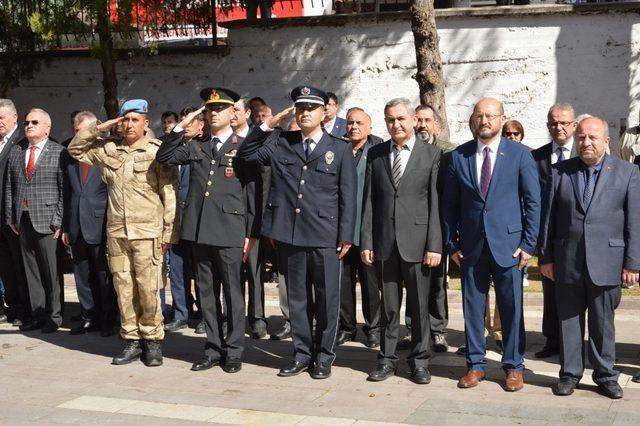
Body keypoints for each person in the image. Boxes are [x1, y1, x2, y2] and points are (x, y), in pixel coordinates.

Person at [237, 85, 357, 380]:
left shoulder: (339, 148)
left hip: (325, 234)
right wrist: (268, 124)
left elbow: (348, 195)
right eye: (300, 108)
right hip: (289, 234)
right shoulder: (281, 142)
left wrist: (346, 234)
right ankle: (302, 354)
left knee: (327, 300)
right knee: (298, 300)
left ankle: (324, 356)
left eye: (311, 108)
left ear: (324, 112)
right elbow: (246, 154)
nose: (304, 113)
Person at [68, 99, 179, 366]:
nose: (128, 125)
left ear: (145, 123)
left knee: (149, 288)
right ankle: (131, 340)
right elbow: (75, 148)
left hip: (148, 233)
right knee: (123, 288)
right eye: (125, 119)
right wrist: (100, 126)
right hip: (117, 235)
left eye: (134, 120)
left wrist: (168, 235)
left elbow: (170, 194)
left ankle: (152, 341)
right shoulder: (108, 150)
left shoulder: (157, 151)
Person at [156, 88, 259, 374]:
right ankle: (213, 348)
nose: (214, 114)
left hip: (230, 230)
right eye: (209, 110)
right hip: (200, 230)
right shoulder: (197, 146)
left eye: (220, 109)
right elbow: (164, 156)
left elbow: (252, 192)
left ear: (231, 114)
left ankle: (234, 350)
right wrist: (181, 127)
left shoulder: (243, 146)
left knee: (233, 293)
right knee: (206, 294)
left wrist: (251, 232)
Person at [442, 97, 540, 392]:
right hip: (470, 247)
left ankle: (513, 367)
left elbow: (533, 201)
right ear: (472, 119)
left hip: (509, 247)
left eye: (490, 116)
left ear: (501, 118)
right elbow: (449, 205)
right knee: (473, 308)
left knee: (511, 308)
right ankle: (475, 365)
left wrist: (528, 244)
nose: (484, 120)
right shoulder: (459, 156)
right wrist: (451, 244)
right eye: (479, 115)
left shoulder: (520, 155)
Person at [539, 116, 640, 399]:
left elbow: (634, 221)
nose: (586, 142)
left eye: (593, 137)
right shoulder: (560, 172)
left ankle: (606, 375)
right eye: (582, 137)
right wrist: (546, 258)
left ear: (606, 141)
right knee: (568, 321)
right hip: (567, 260)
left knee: (602, 322)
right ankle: (569, 374)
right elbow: (548, 220)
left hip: (608, 259)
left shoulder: (627, 173)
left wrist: (633, 263)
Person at [361, 98, 442, 385]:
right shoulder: (377, 154)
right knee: (389, 307)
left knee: (419, 307)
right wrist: (367, 241)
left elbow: (434, 202)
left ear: (412, 120)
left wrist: (435, 245)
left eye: (400, 119)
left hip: (419, 244)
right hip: (384, 243)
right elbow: (369, 201)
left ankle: (419, 361)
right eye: (390, 120)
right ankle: (386, 359)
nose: (395, 125)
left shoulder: (431, 155)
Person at [5, 108, 65, 334]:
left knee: (51, 272)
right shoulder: (17, 151)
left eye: (35, 122)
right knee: (31, 272)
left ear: (47, 128)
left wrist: (59, 221)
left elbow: (63, 189)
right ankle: (37, 314)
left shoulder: (58, 152)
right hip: (23, 220)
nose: (29, 125)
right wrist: (11, 215)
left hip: (48, 222)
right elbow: (10, 186)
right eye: (27, 122)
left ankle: (54, 316)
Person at [531, 103, 578, 360]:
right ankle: (552, 340)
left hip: (578, 234)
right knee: (550, 290)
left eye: (563, 123)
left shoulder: (585, 152)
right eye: (553, 123)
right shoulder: (537, 157)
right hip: (548, 236)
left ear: (574, 125)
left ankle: (579, 343)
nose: (558, 127)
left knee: (580, 291)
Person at [62, 111, 115, 337]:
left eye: (84, 130)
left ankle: (108, 320)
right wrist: (66, 225)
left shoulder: (106, 152)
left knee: (103, 275)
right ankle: (88, 317)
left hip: (99, 223)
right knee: (82, 275)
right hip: (76, 225)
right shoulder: (69, 156)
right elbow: (67, 192)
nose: (80, 135)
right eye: (77, 131)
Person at [335, 107, 382, 349]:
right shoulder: (338, 150)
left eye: (359, 123)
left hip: (366, 230)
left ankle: (373, 328)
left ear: (369, 127)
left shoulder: (376, 153)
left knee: (370, 283)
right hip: (341, 229)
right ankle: (347, 327)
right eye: (350, 123)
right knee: (343, 282)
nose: (354, 127)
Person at [411, 103, 456, 353]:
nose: (422, 126)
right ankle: (413, 328)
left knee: (437, 282)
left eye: (427, 120)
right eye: (418, 120)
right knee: (411, 280)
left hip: (438, 223)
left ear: (436, 124)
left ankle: (438, 331)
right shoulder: (407, 149)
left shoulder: (447, 152)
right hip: (411, 226)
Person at [162, 107, 205, 333]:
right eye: (184, 122)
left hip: (198, 220)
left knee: (200, 272)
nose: (187, 126)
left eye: (192, 122)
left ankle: (206, 315)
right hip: (175, 220)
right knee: (177, 271)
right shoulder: (174, 149)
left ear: (201, 125)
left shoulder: (205, 147)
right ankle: (181, 313)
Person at [232, 97, 269, 338]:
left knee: (254, 270)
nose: (231, 114)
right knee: (231, 273)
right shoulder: (221, 140)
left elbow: (264, 183)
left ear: (247, 113)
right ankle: (234, 317)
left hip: (253, 213)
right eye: (229, 110)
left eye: (235, 110)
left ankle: (257, 318)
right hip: (227, 216)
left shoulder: (259, 139)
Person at [0, 99, 29, 327]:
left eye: (2, 118)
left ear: (14, 117)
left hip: (12, 216)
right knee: (5, 266)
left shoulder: (22, 142)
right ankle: (12, 305)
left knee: (20, 265)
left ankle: (24, 309)